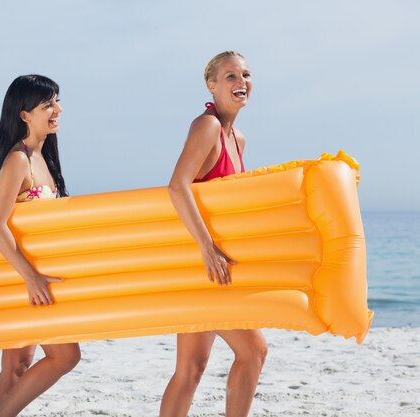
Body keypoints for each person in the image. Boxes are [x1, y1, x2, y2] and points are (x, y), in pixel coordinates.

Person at [160, 52, 268, 417]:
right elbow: (177, 186)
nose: (241, 81)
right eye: (230, 76)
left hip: (215, 267)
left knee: (190, 369)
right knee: (253, 351)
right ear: (211, 85)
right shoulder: (206, 127)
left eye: (246, 74)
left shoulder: (238, 137)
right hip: (201, 265)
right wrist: (207, 249)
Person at [0, 74, 81, 417]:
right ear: (24, 114)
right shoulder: (18, 160)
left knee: (16, 367)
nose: (58, 110)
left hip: (31, 278)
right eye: (47, 105)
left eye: (56, 101)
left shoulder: (43, 158)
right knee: (66, 356)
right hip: (25, 279)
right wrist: (31, 277)